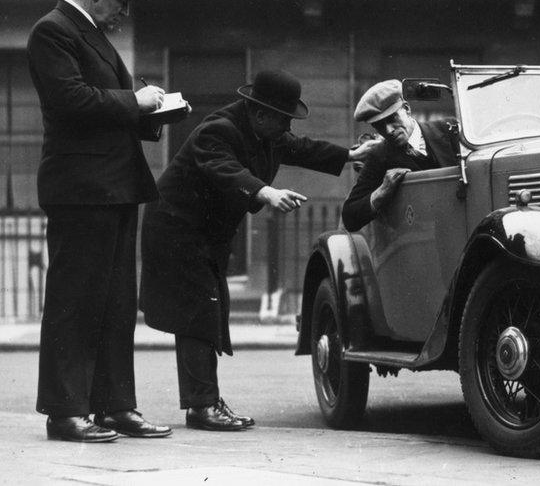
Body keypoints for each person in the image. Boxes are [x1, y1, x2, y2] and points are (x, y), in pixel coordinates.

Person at [139, 69, 380, 432]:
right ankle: (202, 406)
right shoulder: (218, 130)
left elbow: (302, 148)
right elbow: (223, 168)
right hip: (177, 230)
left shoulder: (267, 132)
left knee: (205, 314)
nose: (288, 128)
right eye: (284, 119)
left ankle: (203, 403)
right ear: (261, 113)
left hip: (202, 234)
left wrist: (350, 154)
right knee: (197, 315)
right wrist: (266, 192)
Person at [27, 0, 180, 443]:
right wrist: (136, 101)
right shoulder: (52, 30)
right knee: (74, 301)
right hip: (81, 190)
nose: (124, 11)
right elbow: (70, 101)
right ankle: (65, 412)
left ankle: (115, 406)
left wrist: (153, 110)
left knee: (115, 304)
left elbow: (103, 106)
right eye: (122, 0)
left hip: (111, 187)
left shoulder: (90, 34)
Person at [341, 80, 460, 231]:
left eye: (392, 119)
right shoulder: (379, 157)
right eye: (379, 126)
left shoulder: (449, 129)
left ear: (407, 109)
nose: (388, 130)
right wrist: (382, 191)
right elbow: (350, 217)